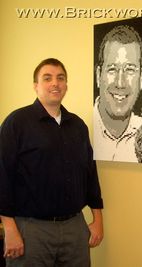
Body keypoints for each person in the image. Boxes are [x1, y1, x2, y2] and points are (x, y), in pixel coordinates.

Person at [0, 58, 103, 267]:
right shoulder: (17, 123)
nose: (55, 83)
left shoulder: (78, 126)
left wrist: (98, 220)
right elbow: (2, 175)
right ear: (36, 86)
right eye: (47, 78)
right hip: (31, 229)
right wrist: (10, 229)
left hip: (75, 227)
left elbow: (90, 174)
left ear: (66, 85)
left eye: (60, 78)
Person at [94, 24, 142, 162]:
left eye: (130, 69)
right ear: (99, 76)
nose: (120, 83)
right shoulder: (78, 131)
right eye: (112, 69)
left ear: (141, 78)